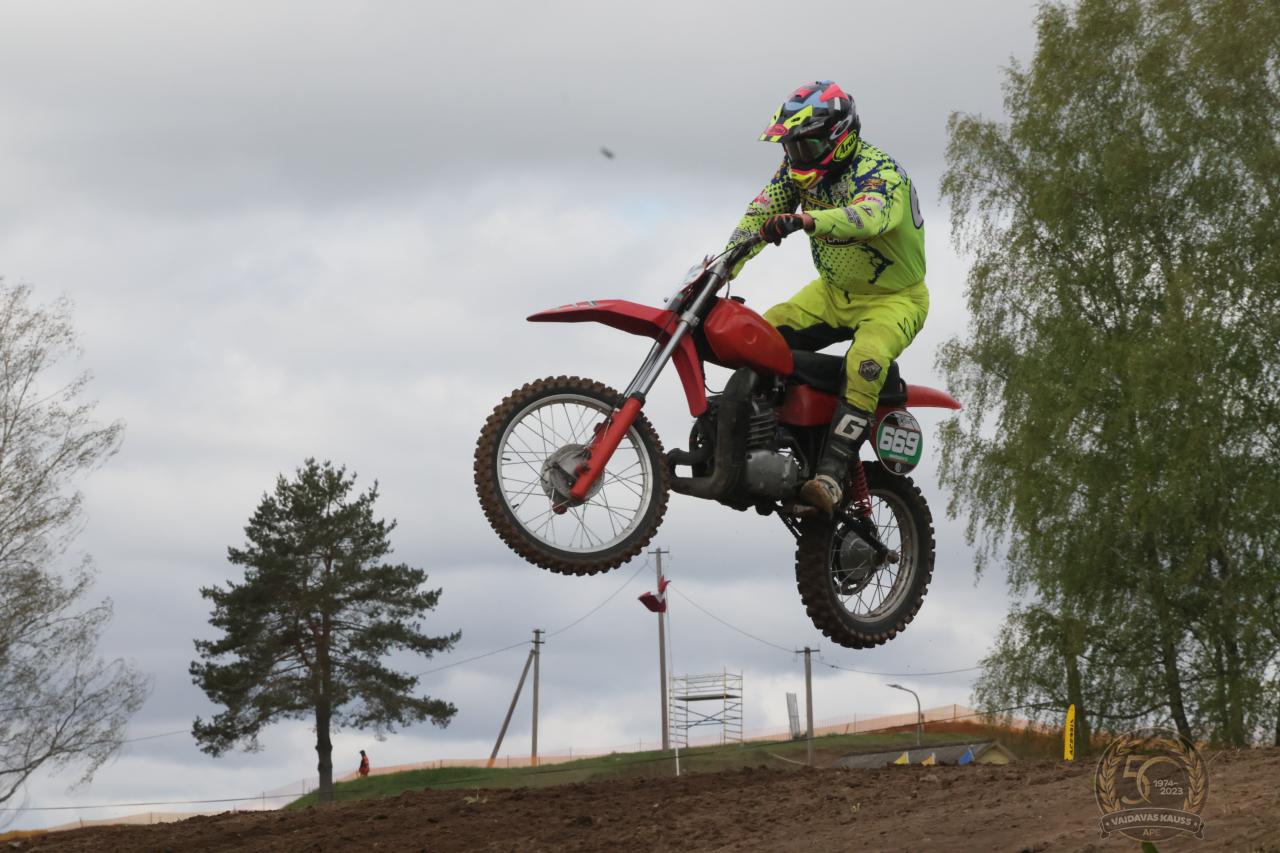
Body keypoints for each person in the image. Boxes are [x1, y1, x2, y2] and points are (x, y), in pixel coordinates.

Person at [725, 80, 928, 515]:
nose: (797, 156)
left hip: (895, 299)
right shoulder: (794, 172)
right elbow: (758, 215)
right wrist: (722, 265)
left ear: (840, 136)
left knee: (866, 359)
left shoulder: (880, 172)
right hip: (833, 293)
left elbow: (869, 217)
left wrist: (807, 221)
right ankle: (762, 444)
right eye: (792, 147)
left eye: (807, 144)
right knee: (758, 336)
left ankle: (831, 478)